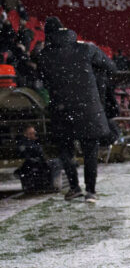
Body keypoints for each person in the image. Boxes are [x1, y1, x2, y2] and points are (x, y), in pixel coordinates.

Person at [38, 16, 116, 203]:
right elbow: (111, 67)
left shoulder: (44, 56)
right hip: (89, 108)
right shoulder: (86, 49)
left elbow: (42, 79)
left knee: (65, 150)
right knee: (90, 151)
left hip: (62, 110)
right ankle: (91, 191)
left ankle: (74, 187)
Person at [14, 125, 59, 193]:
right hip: (31, 164)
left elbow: (40, 153)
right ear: (25, 134)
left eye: (34, 132)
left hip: (37, 162)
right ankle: (49, 185)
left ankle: (50, 184)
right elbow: (26, 154)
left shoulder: (34, 141)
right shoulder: (24, 142)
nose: (33, 134)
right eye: (31, 133)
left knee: (55, 162)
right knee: (50, 164)